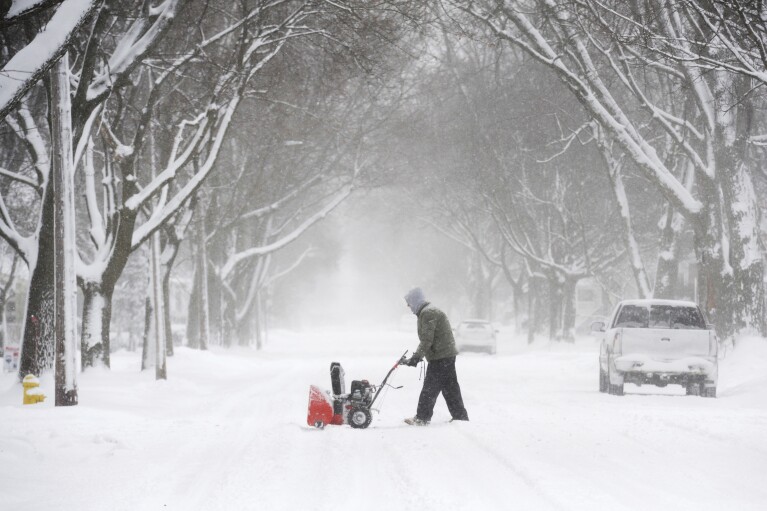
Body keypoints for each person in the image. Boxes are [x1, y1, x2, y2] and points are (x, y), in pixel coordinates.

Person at [401, 287, 469, 425]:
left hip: (441, 356)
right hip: (444, 355)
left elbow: (427, 339)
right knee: (450, 388)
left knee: (429, 388)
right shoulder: (426, 312)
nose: (408, 306)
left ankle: (422, 417)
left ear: (415, 301)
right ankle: (460, 416)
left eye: (409, 303)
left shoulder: (428, 313)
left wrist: (416, 357)